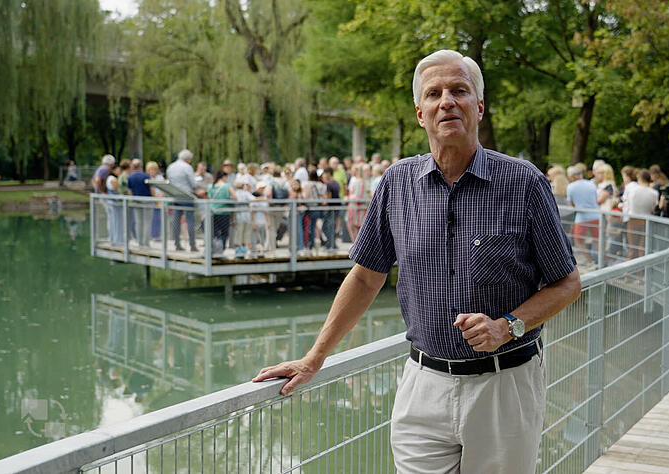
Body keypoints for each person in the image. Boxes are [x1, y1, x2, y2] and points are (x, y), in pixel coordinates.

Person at [252, 49, 581, 474]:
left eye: (459, 90)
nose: (447, 100)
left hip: (505, 385)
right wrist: (314, 358)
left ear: (478, 106)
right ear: (420, 113)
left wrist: (507, 326)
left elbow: (568, 283)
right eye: (434, 93)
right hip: (422, 384)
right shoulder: (396, 183)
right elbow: (367, 277)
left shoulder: (524, 183)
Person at [166, 149, 204, 252]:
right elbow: (193, 183)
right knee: (190, 220)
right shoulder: (187, 167)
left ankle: (177, 243)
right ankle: (192, 245)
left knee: (176, 220)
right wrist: (201, 186)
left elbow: (169, 181)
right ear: (187, 159)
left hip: (175, 195)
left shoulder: (171, 167)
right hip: (186, 196)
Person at [566, 165, 599, 265]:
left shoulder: (570, 187)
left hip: (581, 217)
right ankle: (601, 260)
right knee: (597, 240)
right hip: (596, 215)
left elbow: (571, 204)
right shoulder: (591, 184)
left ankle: (590, 261)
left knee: (578, 241)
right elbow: (595, 198)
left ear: (572, 176)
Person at [625, 169, 659, 258]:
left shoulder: (632, 190)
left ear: (639, 178)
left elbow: (628, 205)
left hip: (633, 220)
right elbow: (653, 208)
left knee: (633, 248)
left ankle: (631, 270)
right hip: (646, 221)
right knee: (643, 248)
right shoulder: (654, 193)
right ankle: (642, 271)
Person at [208, 170, 236, 257]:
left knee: (215, 233)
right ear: (223, 177)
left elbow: (209, 198)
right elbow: (235, 197)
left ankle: (214, 249)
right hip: (224, 212)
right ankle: (221, 250)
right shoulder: (227, 186)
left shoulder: (210, 186)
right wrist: (227, 198)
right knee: (224, 233)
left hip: (213, 212)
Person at [127, 159, 152, 247]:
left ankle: (140, 242)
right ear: (141, 166)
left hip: (136, 201)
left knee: (138, 221)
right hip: (147, 201)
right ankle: (146, 242)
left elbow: (129, 191)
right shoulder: (146, 176)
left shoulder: (130, 177)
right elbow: (151, 189)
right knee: (147, 221)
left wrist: (132, 199)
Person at [321, 167, 340, 250]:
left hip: (331, 208)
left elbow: (329, 197)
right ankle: (332, 244)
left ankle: (330, 244)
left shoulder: (329, 184)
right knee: (332, 226)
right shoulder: (337, 183)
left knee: (326, 227)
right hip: (337, 207)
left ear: (328, 173)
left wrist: (323, 203)